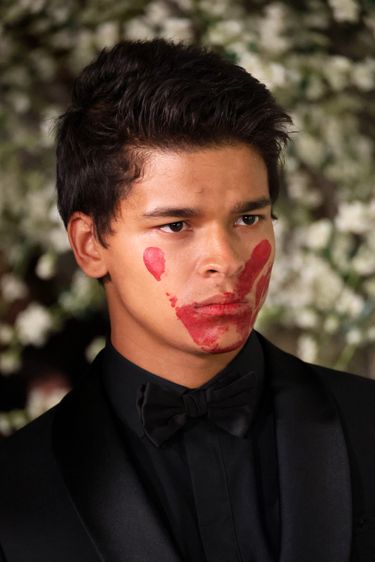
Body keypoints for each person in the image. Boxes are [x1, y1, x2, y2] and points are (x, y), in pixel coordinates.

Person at [0, 39, 374, 562]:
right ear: (90, 245)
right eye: (176, 225)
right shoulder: (15, 488)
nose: (226, 260)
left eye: (248, 219)